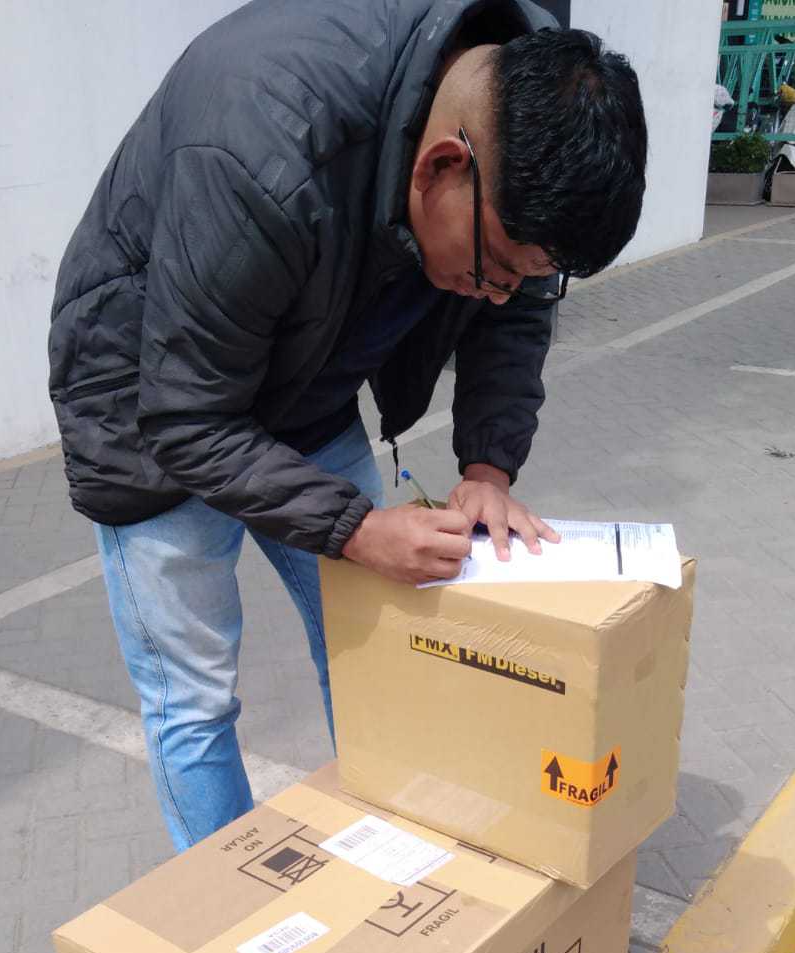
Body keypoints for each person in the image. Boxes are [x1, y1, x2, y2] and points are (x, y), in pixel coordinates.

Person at [49, 0, 647, 852]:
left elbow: (515, 310)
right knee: (194, 699)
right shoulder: (261, 143)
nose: (501, 292)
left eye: (529, 275)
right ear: (442, 167)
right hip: (148, 411)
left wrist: (487, 468)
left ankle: (400, 871)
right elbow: (188, 417)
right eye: (495, 270)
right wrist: (357, 529)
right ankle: (225, 914)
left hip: (304, 390)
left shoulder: (513, 129)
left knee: (371, 645)